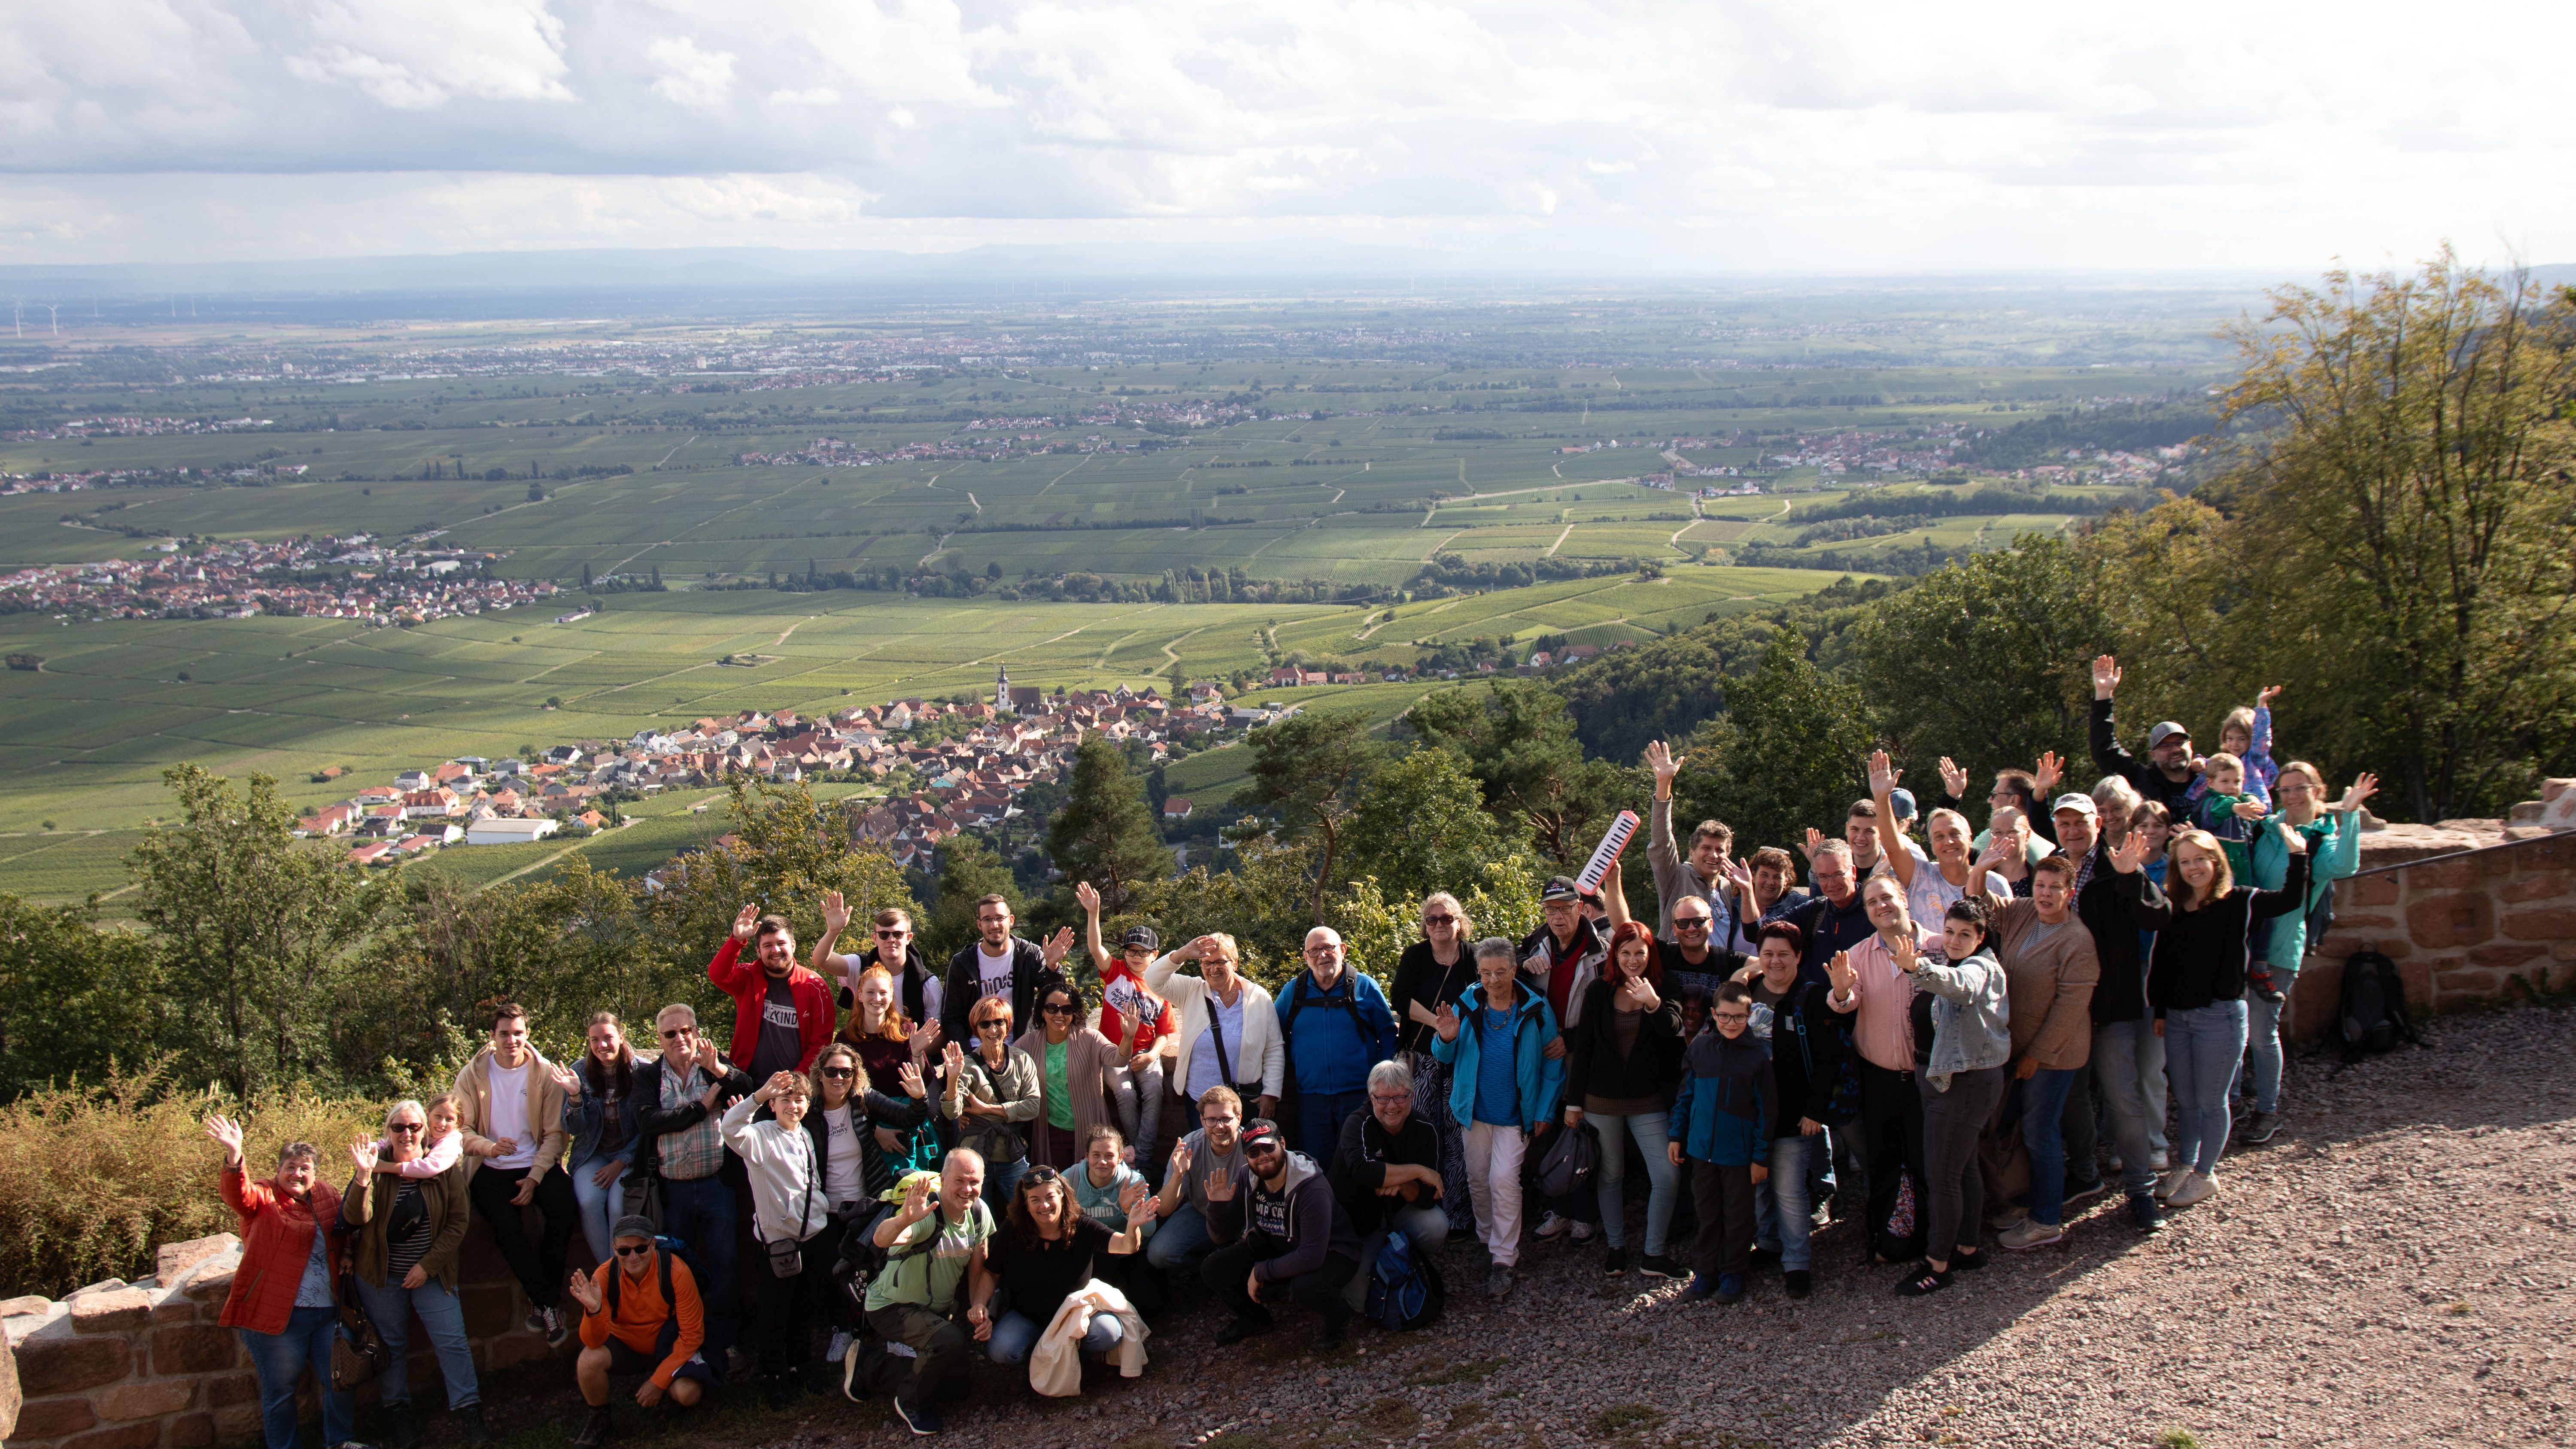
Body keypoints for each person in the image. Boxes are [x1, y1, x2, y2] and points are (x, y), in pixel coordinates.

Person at [2035, 790, 2177, 1235]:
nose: (2073, 830)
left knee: (2122, 1098)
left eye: (2081, 822)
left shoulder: (2118, 865)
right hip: (2064, 1009)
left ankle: (2140, 1189)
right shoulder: (2052, 869)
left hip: (2111, 1005)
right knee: (2073, 1098)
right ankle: (2085, 1174)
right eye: (2065, 823)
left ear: (2098, 823)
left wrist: (2132, 876)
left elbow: (2157, 917)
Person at [2151, 822, 2310, 1207]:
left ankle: (2206, 1174)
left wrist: (2298, 854)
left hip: (2219, 1016)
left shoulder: (2241, 900)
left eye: (2201, 859)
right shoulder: (2172, 905)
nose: (2194, 868)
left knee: (2211, 1100)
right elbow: (2164, 963)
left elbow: (2291, 899)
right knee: (2185, 1100)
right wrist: (2160, 1009)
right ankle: (2186, 1164)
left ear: (2216, 861)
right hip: (2178, 1016)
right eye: (2186, 861)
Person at [2236, 767, 2378, 1144]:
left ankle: (2268, 1111)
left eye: (2301, 788)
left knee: (2262, 1033)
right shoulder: (2266, 827)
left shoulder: (2320, 839)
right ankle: (2233, 1103)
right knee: (2234, 1027)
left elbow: (2345, 866)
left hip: (2281, 945)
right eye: (2286, 789)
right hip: (2241, 941)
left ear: (2318, 791)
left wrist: (2349, 814)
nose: (2293, 795)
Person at [342, 1099, 488, 1449]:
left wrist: (427, 1266)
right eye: (398, 1127)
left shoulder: (443, 1168)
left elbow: (458, 1223)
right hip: (381, 1276)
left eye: (414, 1127)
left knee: (452, 1342)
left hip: (432, 1274)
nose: (407, 1133)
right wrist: (363, 1179)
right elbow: (353, 1219)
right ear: (388, 1131)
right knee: (391, 1346)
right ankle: (399, 1414)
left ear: (425, 1130)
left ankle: (470, 1412)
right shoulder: (374, 1167)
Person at [1887, 898, 2013, 1297]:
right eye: (1951, 931)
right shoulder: (1951, 960)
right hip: (1942, 1080)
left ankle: (1937, 1265)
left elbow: (1960, 988)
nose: (1956, 940)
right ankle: (1967, 1247)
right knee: (1963, 1168)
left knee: (1942, 1175)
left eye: (1966, 934)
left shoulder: (1981, 968)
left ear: (1981, 937)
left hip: (1963, 1084)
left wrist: (1916, 968)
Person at [1983, 853, 2108, 1251]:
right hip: (2019, 1049)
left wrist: (2036, 1055)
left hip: (2054, 1055)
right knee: (2020, 1130)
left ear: (2070, 892)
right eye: (2041, 885)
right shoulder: (2023, 913)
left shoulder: (2078, 940)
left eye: (2056, 887)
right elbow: (1978, 905)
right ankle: (2026, 1202)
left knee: (2041, 1133)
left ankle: (2046, 1220)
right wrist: (1978, 869)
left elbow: (2069, 1010)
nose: (2046, 894)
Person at [1430, 936, 1563, 1301]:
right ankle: (1489, 1240)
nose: (1492, 980)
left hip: (1515, 1115)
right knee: (1478, 1179)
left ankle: (1504, 1258)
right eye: (1485, 973)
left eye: (1500, 972)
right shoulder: (1468, 1002)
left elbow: (1554, 1058)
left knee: (1504, 1180)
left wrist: (1546, 1109)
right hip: (1473, 1111)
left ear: (1514, 970)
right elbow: (1445, 1052)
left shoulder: (1536, 1008)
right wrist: (1446, 1038)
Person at [205, 1115, 349, 1449]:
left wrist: (349, 1253)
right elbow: (237, 1195)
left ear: (315, 1173)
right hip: (278, 1316)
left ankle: (340, 1442)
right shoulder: (264, 1196)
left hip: (327, 1312)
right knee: (281, 1392)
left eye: (305, 1168)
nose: (297, 1173)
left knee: (340, 1378)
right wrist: (234, 1154)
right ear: (279, 1169)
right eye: (290, 1166)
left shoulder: (327, 1194)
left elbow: (345, 1228)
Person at [450, 1002, 578, 1345]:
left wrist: (535, 1176)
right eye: (504, 1033)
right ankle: (549, 1302)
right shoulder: (472, 1074)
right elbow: (458, 1131)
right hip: (490, 1166)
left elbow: (555, 1134)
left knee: (565, 1208)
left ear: (527, 1034)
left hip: (536, 1163)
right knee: (507, 1227)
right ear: (492, 1037)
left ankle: (540, 1301)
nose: (511, 1040)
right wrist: (489, 1147)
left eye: (518, 1033)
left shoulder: (544, 1073)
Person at [1563, 920, 1684, 1278]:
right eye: (1626, 952)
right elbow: (1583, 1048)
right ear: (1615, 954)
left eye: (1640, 953)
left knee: (1666, 1174)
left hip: (1648, 1099)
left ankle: (1654, 1253)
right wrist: (1574, 1101)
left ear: (1651, 954)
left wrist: (1653, 1003)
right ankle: (1616, 1247)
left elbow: (1672, 1030)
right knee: (1611, 1173)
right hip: (1601, 1099)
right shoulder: (1599, 992)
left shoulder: (1663, 986)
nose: (1633, 960)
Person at [632, 1003, 753, 1361]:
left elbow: (748, 1089)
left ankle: (726, 1338)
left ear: (696, 1031)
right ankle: (686, 1339)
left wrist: (717, 1070)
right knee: (675, 1268)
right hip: (673, 1188)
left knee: (726, 1263)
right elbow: (649, 1120)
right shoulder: (649, 1077)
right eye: (670, 1034)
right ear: (659, 1039)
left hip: (717, 1183)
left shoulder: (713, 1065)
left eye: (685, 1031)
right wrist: (702, 1108)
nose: (679, 1038)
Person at [803, 1039, 932, 1367]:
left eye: (847, 1072)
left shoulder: (864, 1101)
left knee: (879, 1267)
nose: (839, 1078)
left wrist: (919, 1095)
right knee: (835, 1270)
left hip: (865, 1203)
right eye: (832, 1071)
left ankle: (889, 1334)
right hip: (825, 1207)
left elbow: (911, 1118)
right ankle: (842, 1330)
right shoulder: (809, 1110)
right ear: (820, 1074)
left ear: (855, 1075)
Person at [1824, 875, 1932, 1264]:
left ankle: (1931, 1237)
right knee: (1883, 1161)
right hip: (1879, 1077)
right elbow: (1847, 1003)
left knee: (1926, 1160)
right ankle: (1887, 1236)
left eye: (1887, 897)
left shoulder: (1936, 945)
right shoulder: (1857, 954)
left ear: (1903, 897)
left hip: (1927, 1078)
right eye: (1872, 902)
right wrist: (1840, 991)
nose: (1881, 906)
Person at [1738, 921, 1847, 1299]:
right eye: (1767, 953)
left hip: (1794, 1114)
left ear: (1799, 956)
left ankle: (1798, 1262)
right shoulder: (1748, 991)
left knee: (1788, 1190)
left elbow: (1829, 1059)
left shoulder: (1812, 997)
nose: (1775, 961)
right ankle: (1768, 1243)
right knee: (1760, 1186)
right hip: (1752, 1112)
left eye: (1784, 954)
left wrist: (1816, 1110)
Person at [854, 1154, 995, 1435]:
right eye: (959, 1180)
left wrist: (979, 1305)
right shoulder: (928, 1211)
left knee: (957, 1386)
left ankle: (869, 1365)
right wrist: (904, 1219)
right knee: (949, 1340)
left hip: (934, 1312)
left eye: (974, 1181)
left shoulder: (979, 1212)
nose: (967, 1189)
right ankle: (910, 1402)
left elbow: (979, 1271)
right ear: (943, 1179)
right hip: (891, 1305)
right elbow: (883, 1239)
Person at [1200, 1119, 1364, 1350]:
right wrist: (1216, 1207)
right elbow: (1222, 1236)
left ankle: (1339, 1318)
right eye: (1254, 1152)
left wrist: (1262, 1271)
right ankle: (1255, 1320)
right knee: (1213, 1268)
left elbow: (1311, 1256)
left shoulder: (1311, 1187)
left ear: (1283, 1144)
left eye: (1269, 1147)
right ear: (1246, 1156)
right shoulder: (1247, 1176)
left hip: (1333, 1252)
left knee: (1306, 1289)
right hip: (1281, 1244)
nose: (1263, 1156)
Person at [972, 1164, 1154, 1368]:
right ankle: (1044, 1358)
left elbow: (1127, 1246)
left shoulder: (1083, 1226)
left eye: (1050, 1197)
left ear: (1062, 1197)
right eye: (1035, 1200)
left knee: (1108, 1334)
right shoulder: (1013, 1229)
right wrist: (980, 1304)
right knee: (1002, 1349)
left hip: (1076, 1316)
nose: (1044, 1206)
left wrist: (1133, 1223)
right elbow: (990, 1272)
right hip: (1028, 1318)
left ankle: (1080, 1357)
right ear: (1025, 1204)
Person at [721, 1070, 831, 1407]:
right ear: (772, 1104)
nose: (793, 1106)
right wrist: (757, 1096)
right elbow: (729, 1128)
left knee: (803, 1309)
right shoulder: (760, 1137)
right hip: (778, 1244)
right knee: (773, 1314)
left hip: (812, 1237)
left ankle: (799, 1366)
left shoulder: (806, 1136)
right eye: (785, 1099)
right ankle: (772, 1376)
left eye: (799, 1099)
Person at [568, 1215, 715, 1449]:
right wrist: (593, 1311)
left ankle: (670, 1395)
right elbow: (593, 1341)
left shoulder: (677, 1272)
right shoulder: (604, 1276)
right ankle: (599, 1417)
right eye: (625, 1251)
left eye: (641, 1248)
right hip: (626, 1347)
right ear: (615, 1249)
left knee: (688, 1393)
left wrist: (657, 1382)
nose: (633, 1257)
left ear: (653, 1244)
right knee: (588, 1359)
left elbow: (692, 1336)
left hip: (668, 1347)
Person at [1668, 981, 1769, 1305]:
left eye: (1739, 1017)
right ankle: (1705, 1272)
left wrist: (1760, 1157)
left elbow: (1768, 1111)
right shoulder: (1700, 1048)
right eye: (1724, 1016)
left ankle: (1733, 1272)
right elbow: (1686, 1095)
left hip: (1738, 1154)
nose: (1731, 1023)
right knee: (1707, 1213)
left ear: (1749, 1015)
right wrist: (1676, 1135)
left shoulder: (1758, 1058)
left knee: (1738, 1215)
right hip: (1701, 1150)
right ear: (1714, 1014)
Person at [1388, 891, 1480, 1242]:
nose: (1439, 924)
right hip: (1423, 1058)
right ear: (1426, 926)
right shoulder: (1415, 956)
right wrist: (1441, 1025)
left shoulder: (1473, 956)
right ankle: (1424, 1207)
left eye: (1447, 918)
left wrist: (1456, 1033)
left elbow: (1489, 994)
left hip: (1464, 1059)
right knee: (1423, 1132)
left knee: (1460, 1137)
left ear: (1460, 923)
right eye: (1433, 919)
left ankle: (1458, 1214)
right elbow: (1400, 999)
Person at [1276, 925, 1398, 1172]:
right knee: (1314, 1168)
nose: (1322, 956)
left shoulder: (1364, 987)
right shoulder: (1294, 991)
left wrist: (1382, 1077)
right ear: (1306, 957)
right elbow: (1272, 1035)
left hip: (1359, 1096)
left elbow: (1387, 1032)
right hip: (1311, 1098)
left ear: (1342, 950)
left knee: (1360, 1165)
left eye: (1328, 948)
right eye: (1314, 951)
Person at [1329, 1059, 1448, 1308]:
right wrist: (1418, 1171)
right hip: (1356, 1227)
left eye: (1400, 1098)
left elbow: (1430, 1197)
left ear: (1412, 1096)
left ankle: (1402, 1259)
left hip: (1396, 1218)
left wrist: (1403, 1183)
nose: (1391, 1106)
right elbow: (1364, 1172)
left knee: (1436, 1223)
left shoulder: (1427, 1129)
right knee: (1361, 1303)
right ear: (1372, 1097)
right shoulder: (1357, 1124)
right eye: (1383, 1099)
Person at [1516, 876, 1596, 1242]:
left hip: (1584, 1055)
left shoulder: (1601, 950)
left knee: (1582, 1133)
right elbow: (1505, 963)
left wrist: (1572, 1039)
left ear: (1581, 907)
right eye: (1551, 909)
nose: (1558, 916)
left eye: (1566, 908)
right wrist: (1522, 963)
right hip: (1547, 1056)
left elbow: (1609, 1013)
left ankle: (1584, 1215)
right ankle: (1561, 1210)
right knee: (1552, 1130)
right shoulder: (1537, 944)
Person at [1073, 881, 1175, 1170]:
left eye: (1143, 952)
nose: (1136, 956)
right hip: (1113, 1052)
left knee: (1155, 1091)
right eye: (1131, 950)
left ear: (1155, 954)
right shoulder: (1115, 971)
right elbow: (1095, 947)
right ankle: (1135, 1151)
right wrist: (1094, 914)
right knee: (1126, 1095)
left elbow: (1165, 1033)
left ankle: (1140, 1155)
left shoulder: (1161, 987)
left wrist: (1153, 1055)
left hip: (1145, 1051)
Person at [1145, 933, 1283, 1125]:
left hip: (1244, 1101)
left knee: (1246, 1154)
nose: (1213, 969)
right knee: (1205, 1153)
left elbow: (1274, 1048)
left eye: (1220, 962)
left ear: (1234, 963)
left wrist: (1271, 1092)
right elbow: (1152, 978)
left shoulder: (1258, 997)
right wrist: (1184, 953)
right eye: (1206, 964)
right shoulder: (1190, 990)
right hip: (1201, 1102)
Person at [1867, 751, 2010, 934]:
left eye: (1955, 833)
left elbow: (2008, 935)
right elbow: (1893, 847)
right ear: (1932, 845)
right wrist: (1881, 797)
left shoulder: (1996, 884)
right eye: (1939, 837)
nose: (1949, 842)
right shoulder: (1920, 876)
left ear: (1969, 838)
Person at [708, 905, 838, 1086]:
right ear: (758, 951)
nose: (776, 950)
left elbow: (820, 1045)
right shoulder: (748, 977)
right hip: (746, 1083)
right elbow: (718, 974)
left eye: (781, 943)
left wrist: (793, 1084)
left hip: (794, 1090)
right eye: (768, 945)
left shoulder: (814, 986)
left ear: (793, 945)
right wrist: (736, 940)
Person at [835, 964, 944, 1179]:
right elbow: (841, 1095)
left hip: (907, 1121)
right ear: (859, 995)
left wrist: (916, 1051)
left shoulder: (905, 1030)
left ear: (892, 995)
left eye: (883, 993)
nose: (877, 998)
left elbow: (920, 1082)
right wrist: (874, 1131)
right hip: (864, 1126)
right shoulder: (845, 1039)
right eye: (870, 992)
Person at [943, 994, 1041, 1213]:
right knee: (972, 1218)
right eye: (985, 1024)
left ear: (1008, 1025)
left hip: (1011, 1153)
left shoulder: (1021, 1060)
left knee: (1027, 1213)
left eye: (999, 1022)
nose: (993, 1029)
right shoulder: (968, 1065)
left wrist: (986, 1110)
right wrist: (952, 1079)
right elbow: (952, 1111)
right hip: (974, 1157)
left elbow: (1033, 1107)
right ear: (976, 1029)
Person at [939, 893, 1073, 1051]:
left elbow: (1056, 1000)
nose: (994, 925)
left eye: (1000, 918)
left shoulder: (1029, 955)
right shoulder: (962, 963)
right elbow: (951, 1017)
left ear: (1011, 921)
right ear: (979, 925)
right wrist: (969, 1055)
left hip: (1020, 1047)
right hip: (975, 1048)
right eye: (987, 919)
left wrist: (1052, 967)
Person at [559, 1012, 641, 1273]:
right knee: (589, 1202)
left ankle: (621, 1274)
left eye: (608, 1038)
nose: (602, 1045)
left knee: (618, 1206)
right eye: (595, 1040)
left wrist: (620, 1163)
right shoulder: (579, 1072)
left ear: (621, 1037)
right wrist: (574, 1096)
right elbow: (574, 1129)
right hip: (591, 1154)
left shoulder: (642, 1071)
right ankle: (609, 1274)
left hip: (629, 1155)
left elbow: (649, 1128)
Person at [1016, 976, 1121, 1170]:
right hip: (1050, 1133)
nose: (1059, 1014)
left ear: (1074, 1013)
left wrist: (1129, 1037)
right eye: (1052, 1008)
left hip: (1090, 1132)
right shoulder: (1027, 1043)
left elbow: (1118, 1059)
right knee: (1057, 1188)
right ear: (1042, 1010)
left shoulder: (1089, 1038)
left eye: (1067, 1009)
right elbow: (1003, 1067)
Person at [1145, 1086, 1249, 1277]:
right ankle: (1207, 1267)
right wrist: (1178, 1175)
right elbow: (1165, 1209)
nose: (1219, 1127)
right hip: (1202, 1214)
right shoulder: (1190, 1146)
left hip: (1246, 1219)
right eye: (1211, 1120)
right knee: (1159, 1254)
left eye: (1226, 1119)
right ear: (1202, 1121)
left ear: (1239, 1119)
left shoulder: (1251, 1147)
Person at [1643, 738, 1738, 942]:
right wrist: (1664, 784)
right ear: (1692, 852)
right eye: (1706, 848)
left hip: (1720, 972)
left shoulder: (1729, 888)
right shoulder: (1677, 877)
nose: (1713, 855)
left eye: (1720, 850)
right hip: (1678, 970)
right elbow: (1662, 843)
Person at [813, 891, 945, 1033]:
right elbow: (821, 960)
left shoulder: (928, 983)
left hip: (911, 1053)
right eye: (884, 935)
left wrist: (910, 1052)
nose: (891, 939)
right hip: (863, 1047)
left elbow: (937, 1035)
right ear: (875, 938)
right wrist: (834, 931)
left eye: (898, 934)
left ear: (909, 938)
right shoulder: (859, 967)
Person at [1068, 1124, 1164, 1314]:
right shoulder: (1071, 1179)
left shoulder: (1133, 1182)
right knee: (1088, 1302)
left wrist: (1128, 1210)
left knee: (1150, 1306)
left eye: (1109, 1156)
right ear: (1086, 1156)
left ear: (1121, 1157)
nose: (1102, 1162)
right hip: (1097, 1250)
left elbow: (1149, 1230)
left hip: (1133, 1249)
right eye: (1096, 1155)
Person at [2088, 653, 2201, 813]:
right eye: (2166, 746)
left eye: (2179, 743)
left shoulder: (2209, 778)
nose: (2175, 750)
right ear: (2153, 755)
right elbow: (2105, 750)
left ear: (2190, 746)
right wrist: (2103, 694)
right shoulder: (2140, 780)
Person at [1768, 841, 1874, 988]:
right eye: (1823, 877)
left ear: (1854, 873)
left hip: (1860, 1004)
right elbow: (1760, 930)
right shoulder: (1817, 909)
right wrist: (1747, 889)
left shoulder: (1873, 909)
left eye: (1838, 874)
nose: (1831, 884)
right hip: (1813, 1004)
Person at [1719, 847, 1806, 955]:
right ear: (1754, 877)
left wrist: (1816, 870)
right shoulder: (1732, 905)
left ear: (1786, 882)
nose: (1770, 882)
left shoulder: (1795, 904)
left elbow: (1821, 904)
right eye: (1764, 875)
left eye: (1777, 877)